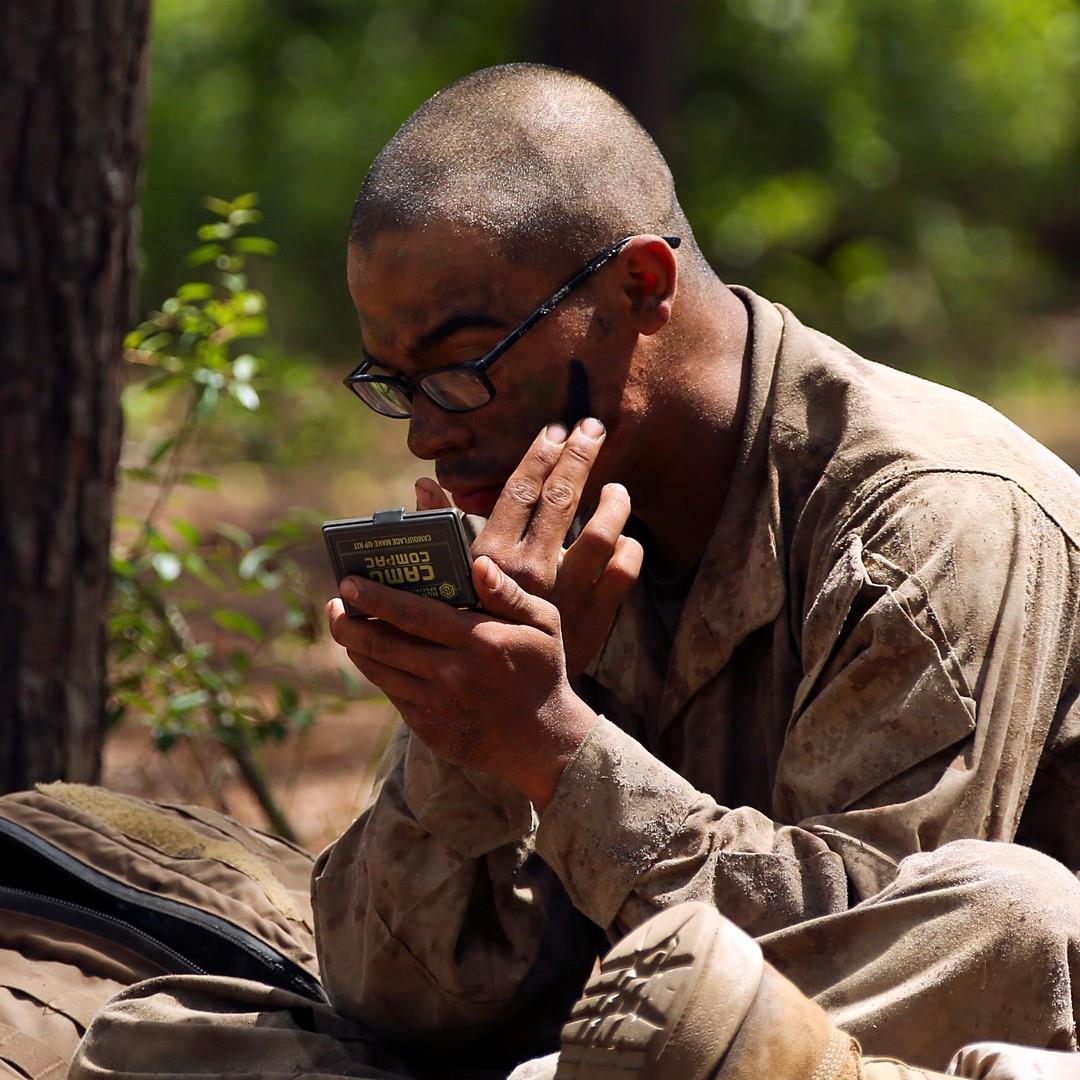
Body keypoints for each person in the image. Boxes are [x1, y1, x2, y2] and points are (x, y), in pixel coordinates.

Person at [70, 63, 1080, 1080]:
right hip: (618, 1048)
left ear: (641, 287)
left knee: (1011, 904)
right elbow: (397, 994)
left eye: (463, 366)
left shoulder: (928, 520)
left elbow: (884, 968)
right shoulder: (558, 509)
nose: (426, 433)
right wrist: (466, 737)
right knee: (158, 1041)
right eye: (398, 384)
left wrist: (553, 744)